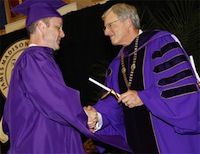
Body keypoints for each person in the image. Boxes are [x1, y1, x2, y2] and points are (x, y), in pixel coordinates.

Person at [2, 0, 132, 153]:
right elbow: (53, 98)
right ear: (41, 27)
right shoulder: (34, 58)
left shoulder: (38, 59)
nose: (63, 34)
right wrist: (83, 114)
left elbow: (9, 119)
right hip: (43, 145)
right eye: (58, 27)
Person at [85, 3, 200, 154]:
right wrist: (97, 117)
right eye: (105, 27)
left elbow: (181, 91)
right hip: (137, 142)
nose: (106, 32)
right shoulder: (116, 64)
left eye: (110, 25)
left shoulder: (161, 43)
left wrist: (143, 97)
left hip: (168, 138)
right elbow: (112, 103)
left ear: (128, 22)